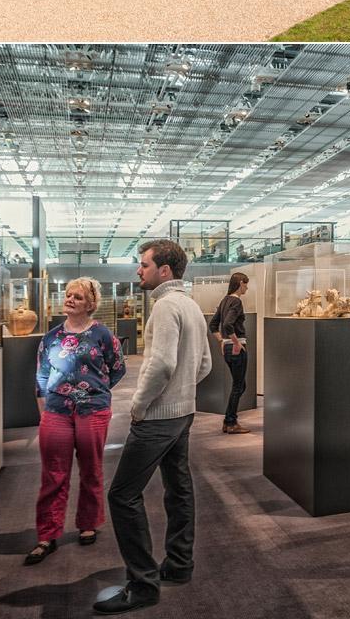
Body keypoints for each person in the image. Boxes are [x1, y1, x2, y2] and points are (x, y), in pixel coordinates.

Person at [95, 240, 213, 615]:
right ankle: (178, 565)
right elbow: (206, 364)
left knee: (122, 496)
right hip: (183, 413)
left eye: (143, 264)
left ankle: (143, 584)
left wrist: (139, 405)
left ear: (164, 270)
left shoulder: (165, 306)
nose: (138, 270)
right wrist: (183, 392)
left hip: (160, 417)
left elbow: (161, 363)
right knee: (179, 488)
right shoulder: (190, 305)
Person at [27, 277, 126, 565]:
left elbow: (117, 368)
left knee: (91, 470)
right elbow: (41, 377)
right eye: (68, 295)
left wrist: (95, 390)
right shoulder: (51, 338)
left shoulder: (103, 334)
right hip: (56, 411)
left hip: (92, 411)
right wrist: (44, 412)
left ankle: (88, 523)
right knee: (53, 475)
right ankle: (47, 533)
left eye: (78, 297)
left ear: (91, 304)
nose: (70, 300)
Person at [213, 272, 249, 435]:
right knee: (238, 386)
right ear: (240, 283)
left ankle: (229, 420)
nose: (247, 287)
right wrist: (235, 342)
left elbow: (213, 325)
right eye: (246, 283)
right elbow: (228, 325)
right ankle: (230, 422)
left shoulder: (224, 301)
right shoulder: (236, 301)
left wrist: (222, 341)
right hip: (237, 346)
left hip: (227, 347)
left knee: (239, 385)